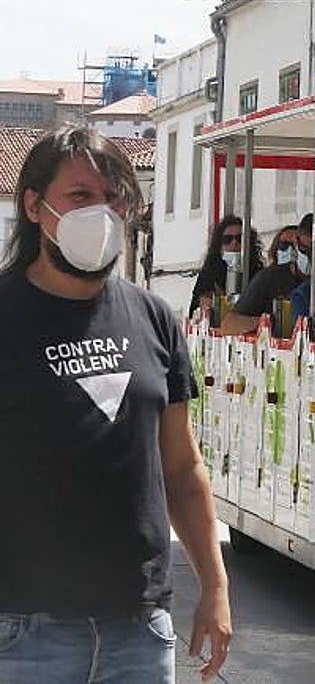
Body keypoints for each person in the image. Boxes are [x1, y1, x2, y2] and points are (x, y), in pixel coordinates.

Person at [0, 126, 230, 682]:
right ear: (35, 207)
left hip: (140, 633)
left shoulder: (154, 319)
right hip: (24, 632)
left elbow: (182, 468)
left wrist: (216, 588)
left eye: (114, 198)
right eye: (80, 197)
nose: (102, 213)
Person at [221, 213, 315, 336]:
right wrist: (269, 323)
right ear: (297, 244)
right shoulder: (270, 277)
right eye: (305, 249)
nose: (310, 257)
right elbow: (229, 324)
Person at [188, 214, 262, 318]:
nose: (234, 243)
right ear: (219, 245)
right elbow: (194, 310)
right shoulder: (208, 274)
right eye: (228, 239)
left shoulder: (259, 275)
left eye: (240, 239)